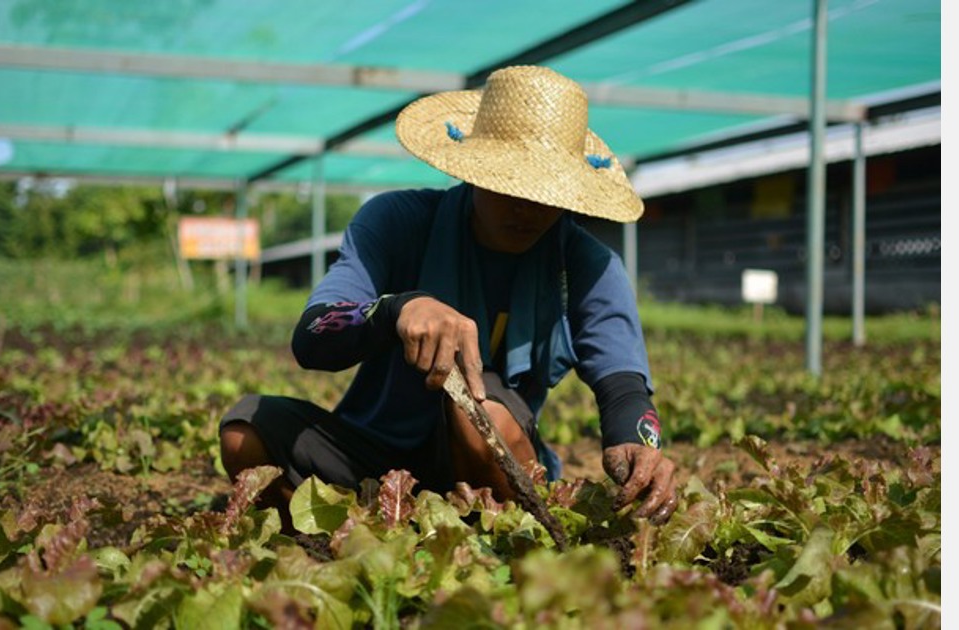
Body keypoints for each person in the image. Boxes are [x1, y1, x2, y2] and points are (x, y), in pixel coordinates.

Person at [219, 65, 678, 528]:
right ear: (474, 171)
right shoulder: (397, 222)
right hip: (370, 448)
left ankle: (502, 529)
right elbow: (313, 336)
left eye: (546, 190)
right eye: (509, 182)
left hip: (490, 460)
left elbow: (623, 388)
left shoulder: (588, 265)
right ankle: (342, 535)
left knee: (477, 410)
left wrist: (641, 446)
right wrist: (397, 308)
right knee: (246, 433)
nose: (527, 207)